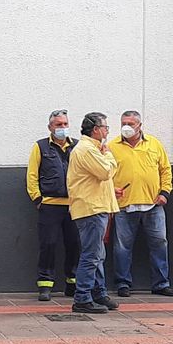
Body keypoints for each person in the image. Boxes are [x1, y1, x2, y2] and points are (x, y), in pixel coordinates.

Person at [109, 111, 173, 298]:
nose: (126, 127)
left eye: (131, 123)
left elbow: (165, 170)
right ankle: (123, 284)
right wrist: (112, 189)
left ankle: (161, 284)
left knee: (160, 244)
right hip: (124, 206)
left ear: (139, 125)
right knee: (122, 247)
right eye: (123, 123)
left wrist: (165, 193)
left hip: (153, 205)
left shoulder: (154, 144)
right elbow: (105, 174)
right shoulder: (112, 147)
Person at [63, 112, 121, 315]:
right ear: (95, 130)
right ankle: (82, 298)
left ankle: (98, 293)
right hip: (91, 209)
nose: (107, 131)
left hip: (96, 207)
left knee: (98, 254)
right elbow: (105, 172)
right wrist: (109, 154)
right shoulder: (87, 149)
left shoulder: (91, 149)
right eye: (105, 127)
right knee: (91, 255)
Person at [26, 109, 81, 301]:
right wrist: (37, 199)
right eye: (58, 125)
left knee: (74, 244)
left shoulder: (77, 146)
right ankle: (45, 284)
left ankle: (72, 283)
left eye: (65, 124)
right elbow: (32, 175)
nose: (62, 128)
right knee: (48, 244)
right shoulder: (40, 146)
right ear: (50, 127)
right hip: (49, 205)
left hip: (74, 206)